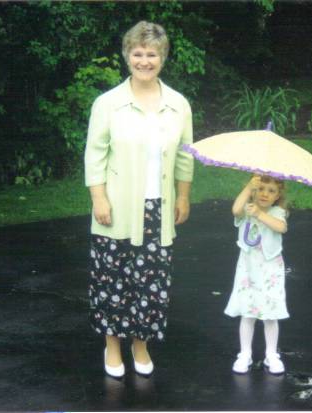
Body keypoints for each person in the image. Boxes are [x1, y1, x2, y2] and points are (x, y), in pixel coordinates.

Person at [84, 21, 194, 379]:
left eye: (152, 54)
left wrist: (183, 195)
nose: (144, 61)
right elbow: (95, 155)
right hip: (116, 207)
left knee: (151, 281)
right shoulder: (109, 103)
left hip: (157, 208)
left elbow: (184, 155)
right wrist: (99, 198)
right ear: (127, 56)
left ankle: (140, 345)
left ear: (162, 57)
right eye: (137, 53)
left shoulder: (178, 104)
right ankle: (113, 346)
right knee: (112, 278)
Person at [224, 175, 289, 375]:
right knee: (248, 311)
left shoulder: (278, 212)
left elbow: (281, 227)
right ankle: (245, 353)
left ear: (278, 196)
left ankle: (271, 354)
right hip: (248, 268)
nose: (265, 194)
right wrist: (247, 189)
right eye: (261, 189)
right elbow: (235, 210)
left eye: (271, 191)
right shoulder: (247, 207)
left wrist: (260, 214)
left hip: (270, 270)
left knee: (270, 314)